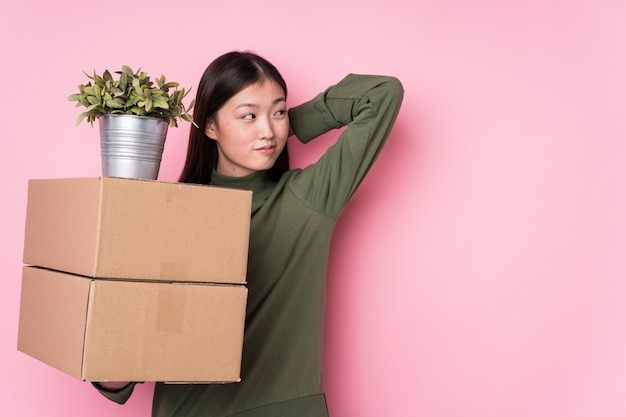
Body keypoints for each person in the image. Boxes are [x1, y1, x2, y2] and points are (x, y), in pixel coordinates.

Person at [94, 50, 403, 417]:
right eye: (249, 116)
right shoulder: (172, 213)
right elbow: (144, 341)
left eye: (278, 111)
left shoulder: (308, 198)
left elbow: (384, 93)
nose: (267, 132)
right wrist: (112, 371)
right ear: (210, 126)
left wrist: (296, 124)